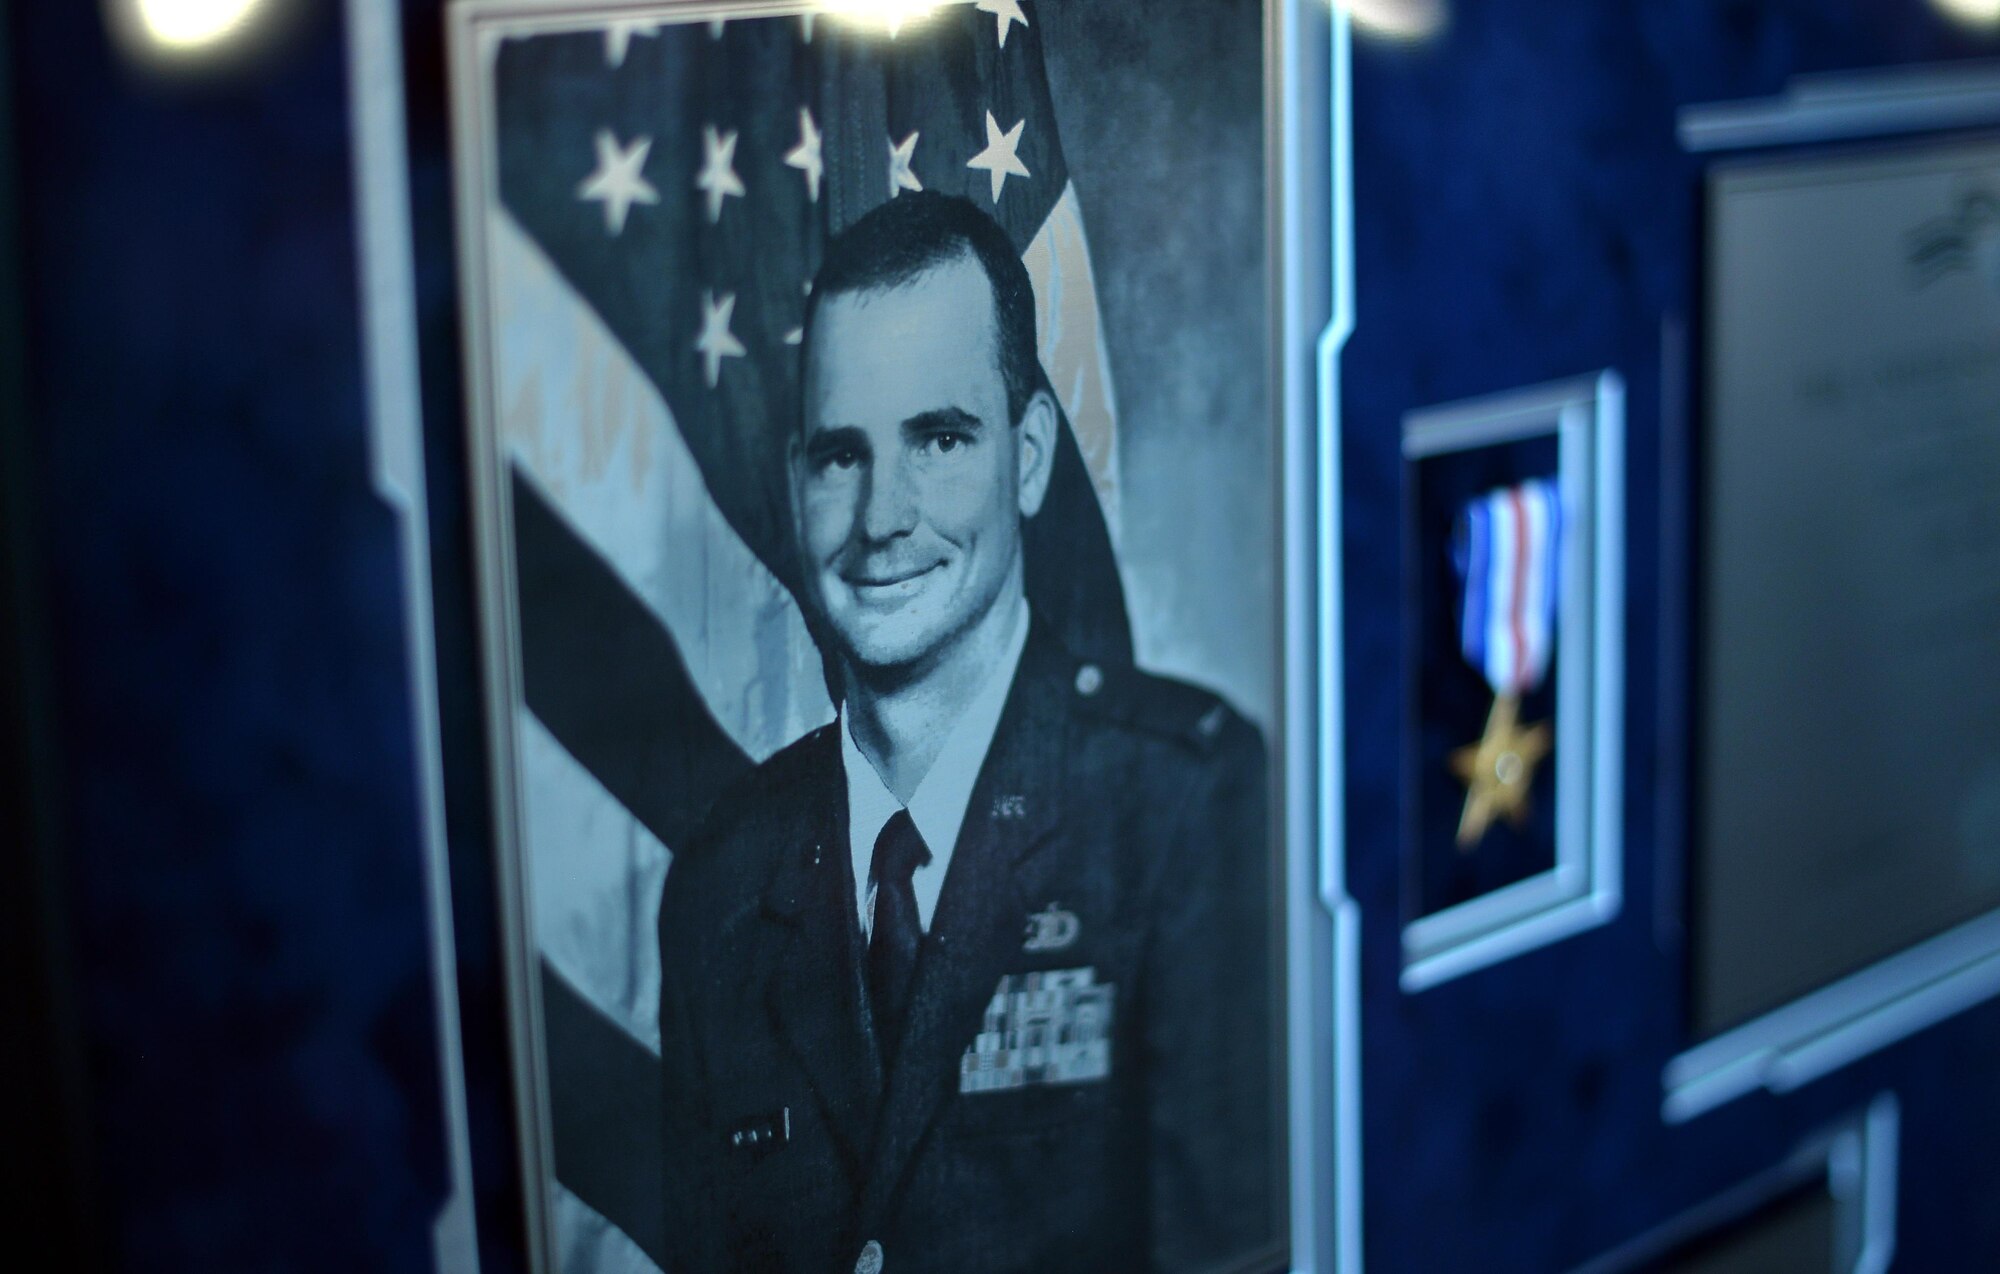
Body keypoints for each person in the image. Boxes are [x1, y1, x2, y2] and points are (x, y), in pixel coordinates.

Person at [657, 192, 1275, 1274]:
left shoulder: (1176, 800)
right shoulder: (721, 877)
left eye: (938, 437)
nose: (882, 517)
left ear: (1027, 453)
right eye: (840, 456)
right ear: (797, 474)